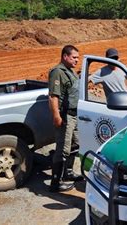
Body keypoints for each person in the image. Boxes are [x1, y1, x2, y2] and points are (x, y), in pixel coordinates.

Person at [48, 45, 83, 192]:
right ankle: (56, 183)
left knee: (75, 145)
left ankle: (68, 173)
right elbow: (53, 96)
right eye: (74, 57)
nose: (77, 60)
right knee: (63, 149)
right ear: (65, 56)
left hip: (75, 115)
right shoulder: (58, 72)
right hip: (65, 116)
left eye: (77, 57)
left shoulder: (71, 72)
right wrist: (56, 115)